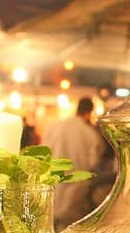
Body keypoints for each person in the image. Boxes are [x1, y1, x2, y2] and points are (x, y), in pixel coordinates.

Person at [42, 97, 105, 226]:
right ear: (89, 112)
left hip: (52, 181)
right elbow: (93, 161)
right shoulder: (89, 133)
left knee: (48, 224)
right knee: (68, 229)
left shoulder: (55, 126)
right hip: (76, 184)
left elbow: (43, 151)